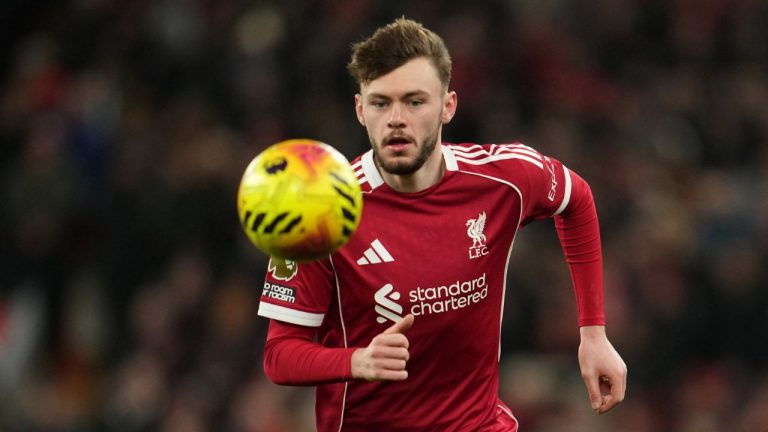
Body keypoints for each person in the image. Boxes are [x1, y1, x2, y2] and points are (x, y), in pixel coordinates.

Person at [257, 17, 626, 431]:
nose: (396, 119)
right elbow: (279, 356)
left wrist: (593, 333)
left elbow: (576, 200)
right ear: (361, 110)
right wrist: (356, 360)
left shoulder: (504, 179)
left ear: (448, 106)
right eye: (381, 103)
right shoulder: (320, 212)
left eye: (415, 101)